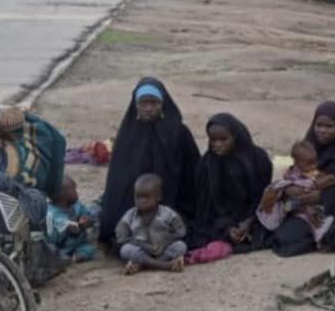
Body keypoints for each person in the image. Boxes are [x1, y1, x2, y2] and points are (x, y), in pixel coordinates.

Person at [99, 78, 200, 243]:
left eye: (154, 103)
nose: (148, 108)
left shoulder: (179, 132)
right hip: (135, 208)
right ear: (136, 106)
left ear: (163, 104)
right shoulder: (127, 136)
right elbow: (117, 182)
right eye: (143, 103)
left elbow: (192, 174)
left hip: (174, 205)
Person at [267, 101, 335, 256]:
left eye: (329, 127)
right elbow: (294, 174)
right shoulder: (308, 148)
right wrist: (292, 190)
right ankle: (316, 239)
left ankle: (322, 239)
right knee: (285, 239)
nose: (322, 131)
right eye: (319, 125)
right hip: (305, 209)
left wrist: (323, 196)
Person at [185, 113, 273, 263]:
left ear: (236, 137)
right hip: (221, 219)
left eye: (223, 139)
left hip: (254, 215)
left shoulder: (258, 159)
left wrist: (248, 221)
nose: (217, 145)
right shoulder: (207, 165)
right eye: (213, 140)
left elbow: (262, 196)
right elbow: (207, 207)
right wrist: (227, 228)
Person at [257, 141, 334, 250]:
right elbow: (291, 194)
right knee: (312, 221)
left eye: (315, 161)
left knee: (327, 219)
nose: (314, 165)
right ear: (296, 161)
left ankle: (320, 238)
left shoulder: (314, 172)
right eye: (310, 163)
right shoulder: (292, 175)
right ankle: (319, 241)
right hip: (294, 207)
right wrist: (306, 209)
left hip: (311, 203)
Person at [115, 173, 188, 274]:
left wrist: (166, 242)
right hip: (141, 251)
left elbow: (181, 231)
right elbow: (121, 238)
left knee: (181, 246)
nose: (142, 201)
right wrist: (141, 244)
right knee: (125, 250)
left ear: (159, 197)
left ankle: (143, 265)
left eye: (146, 197)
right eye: (138, 197)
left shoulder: (168, 213)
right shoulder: (129, 215)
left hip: (163, 250)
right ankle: (165, 265)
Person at [45, 174, 99, 262]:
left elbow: (90, 217)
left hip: (79, 245)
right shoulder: (51, 213)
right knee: (52, 251)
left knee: (90, 249)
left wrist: (88, 220)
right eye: (74, 190)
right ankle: (64, 258)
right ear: (64, 196)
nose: (77, 192)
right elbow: (52, 235)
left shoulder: (78, 206)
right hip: (60, 248)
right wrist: (68, 229)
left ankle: (77, 256)